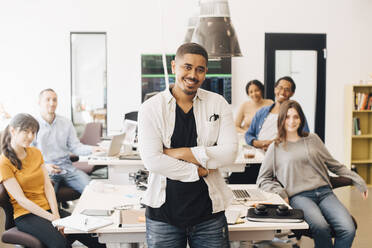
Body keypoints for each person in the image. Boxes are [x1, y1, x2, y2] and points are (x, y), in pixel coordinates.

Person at [138, 43, 238, 248]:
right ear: (174, 67)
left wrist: (181, 152)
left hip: (209, 214)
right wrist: (197, 171)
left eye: (200, 69)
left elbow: (229, 153)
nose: (193, 74)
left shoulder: (218, 103)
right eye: (187, 67)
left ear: (205, 73)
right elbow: (153, 161)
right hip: (163, 216)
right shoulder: (151, 108)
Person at [257, 100, 368, 248]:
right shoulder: (275, 147)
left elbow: (334, 165)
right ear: (281, 119)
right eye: (287, 117)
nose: (291, 121)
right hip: (300, 196)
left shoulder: (312, 139)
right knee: (321, 227)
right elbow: (263, 179)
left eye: (296, 117)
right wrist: (281, 192)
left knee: (348, 229)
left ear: (301, 118)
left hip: (325, 193)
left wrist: (358, 180)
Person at [0, 113, 105, 248]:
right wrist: (53, 219)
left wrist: (55, 214)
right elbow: (22, 200)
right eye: (26, 132)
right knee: (59, 243)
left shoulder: (36, 153)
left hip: (49, 210)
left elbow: (48, 187)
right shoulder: (4, 162)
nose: (31, 136)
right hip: (26, 215)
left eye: (33, 132)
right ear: (13, 130)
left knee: (94, 236)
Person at [32, 88, 102, 193]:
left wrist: (94, 149)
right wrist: (44, 167)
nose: (52, 103)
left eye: (54, 100)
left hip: (67, 169)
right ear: (39, 102)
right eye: (48, 99)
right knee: (47, 202)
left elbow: (76, 147)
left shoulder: (66, 122)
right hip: (47, 170)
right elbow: (28, 155)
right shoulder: (32, 125)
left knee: (93, 191)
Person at [245, 76, 309, 151]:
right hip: (259, 156)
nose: (282, 92)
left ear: (292, 93)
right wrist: (259, 143)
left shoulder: (295, 114)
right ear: (275, 89)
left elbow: (304, 136)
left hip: (282, 155)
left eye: (287, 89)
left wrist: (276, 144)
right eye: (280, 88)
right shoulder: (262, 112)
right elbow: (248, 134)